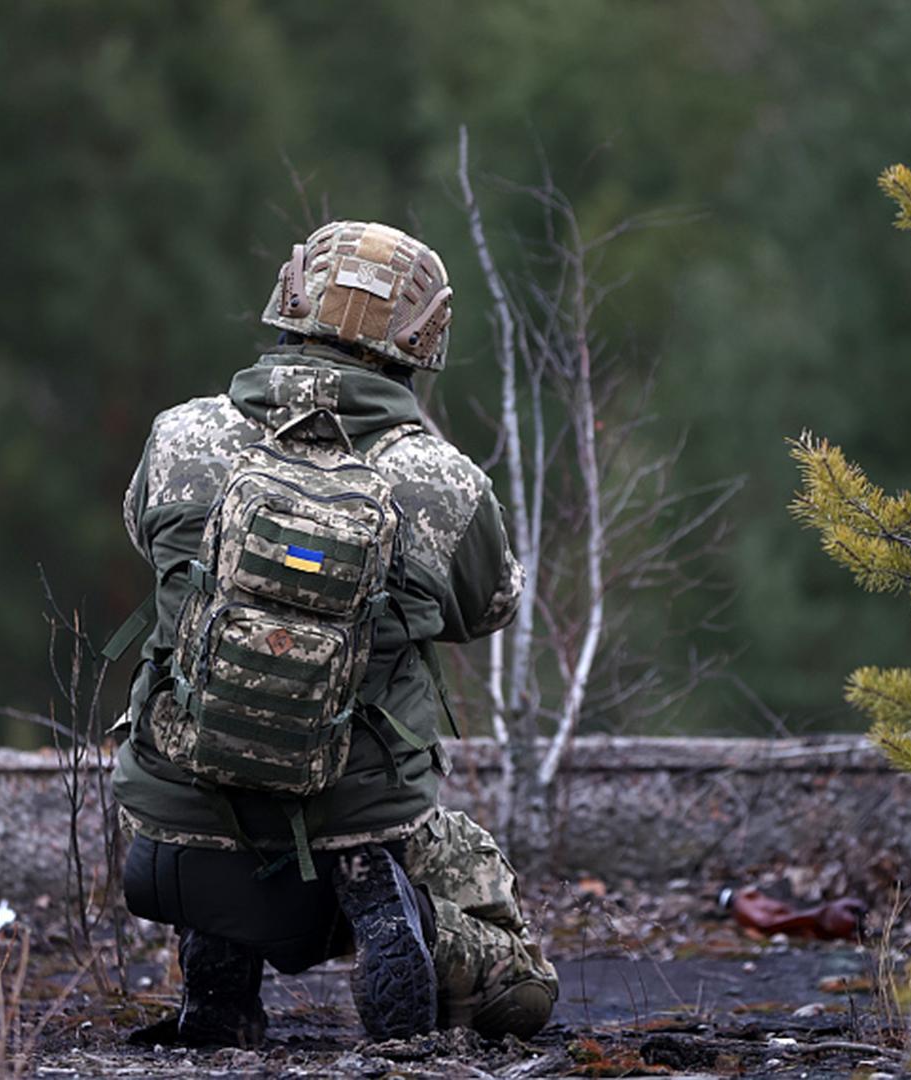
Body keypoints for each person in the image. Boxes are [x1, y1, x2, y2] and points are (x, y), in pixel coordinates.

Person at [108, 220, 558, 1049]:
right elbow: (487, 610)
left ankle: (221, 995)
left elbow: (147, 538)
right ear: (423, 338)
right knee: (524, 988)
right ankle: (404, 915)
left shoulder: (181, 436)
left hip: (177, 817)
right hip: (358, 813)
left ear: (290, 301)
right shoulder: (442, 482)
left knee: (220, 771)